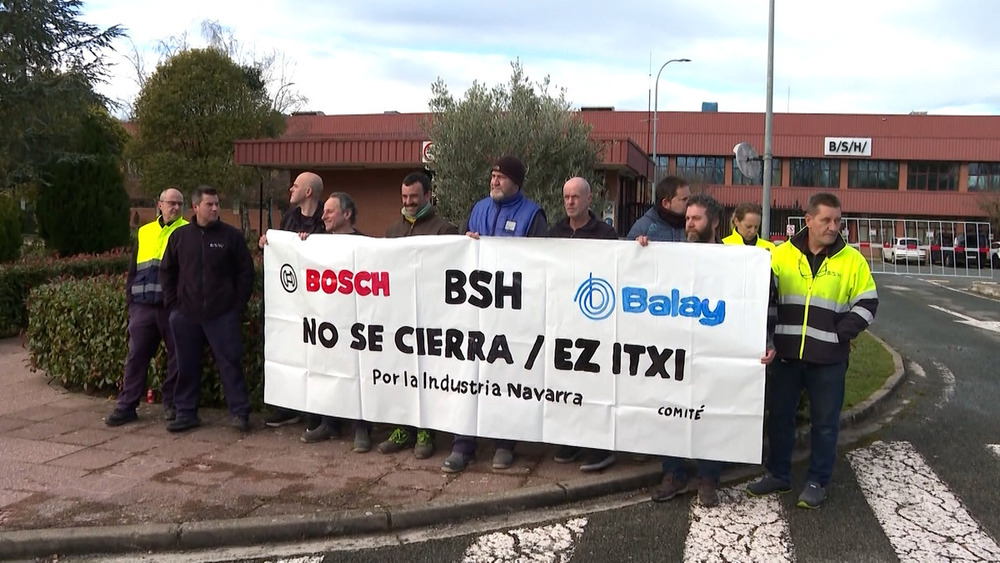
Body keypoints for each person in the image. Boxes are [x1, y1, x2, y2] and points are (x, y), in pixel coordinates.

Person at [746, 192, 878, 509]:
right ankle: (778, 474)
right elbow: (762, 299)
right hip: (786, 356)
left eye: (838, 221)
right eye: (826, 220)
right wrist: (765, 340)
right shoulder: (780, 256)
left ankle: (818, 480)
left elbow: (868, 303)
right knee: (780, 418)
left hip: (828, 360)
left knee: (825, 424)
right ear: (808, 220)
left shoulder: (852, 260)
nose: (833, 227)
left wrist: (839, 334)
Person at [645, 193, 776, 507]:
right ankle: (673, 473)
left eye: (696, 218)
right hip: (676, 354)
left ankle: (708, 477)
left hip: (717, 353)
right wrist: (640, 254)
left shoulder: (740, 262)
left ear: (714, 223)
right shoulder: (671, 256)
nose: (689, 224)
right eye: (687, 218)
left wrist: (767, 340)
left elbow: (766, 301)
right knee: (672, 412)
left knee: (711, 413)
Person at [443, 155, 547, 474]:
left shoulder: (533, 216)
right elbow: (459, 250)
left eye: (501, 177)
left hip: (512, 313)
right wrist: (468, 243)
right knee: (469, 375)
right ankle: (464, 444)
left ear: (516, 182)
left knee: (506, 377)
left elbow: (541, 262)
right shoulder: (479, 209)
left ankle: (505, 442)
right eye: (492, 176)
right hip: (475, 310)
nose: (494, 181)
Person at [161, 185, 254, 433]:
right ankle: (185, 412)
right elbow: (167, 272)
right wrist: (173, 307)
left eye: (216, 204)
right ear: (195, 207)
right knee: (186, 364)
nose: (215, 208)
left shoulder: (231, 236)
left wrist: (236, 306)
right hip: (186, 314)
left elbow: (246, 272)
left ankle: (239, 412)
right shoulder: (180, 237)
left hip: (222, 314)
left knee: (230, 363)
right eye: (209, 204)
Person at [378, 172, 459, 459]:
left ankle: (427, 431)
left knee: (428, 374)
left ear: (427, 195)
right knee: (401, 373)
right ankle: (403, 428)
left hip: (432, 315)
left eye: (413, 197)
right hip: (399, 314)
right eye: (404, 197)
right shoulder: (393, 230)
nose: (408, 202)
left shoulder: (445, 230)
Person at [548, 177, 619, 472]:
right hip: (563, 320)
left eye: (576, 196)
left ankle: (601, 445)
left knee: (595, 383)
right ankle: (573, 438)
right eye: (566, 196)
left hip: (596, 321)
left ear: (589, 200)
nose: (570, 202)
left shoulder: (605, 234)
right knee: (567, 381)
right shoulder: (554, 232)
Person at [298, 192, 374, 453]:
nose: (324, 216)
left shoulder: (366, 244)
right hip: (326, 324)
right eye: (324, 212)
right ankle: (329, 422)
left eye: (330, 211)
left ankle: (360, 427)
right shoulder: (317, 243)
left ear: (347, 214)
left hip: (355, 325)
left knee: (357, 373)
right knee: (327, 370)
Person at [104, 188, 188, 427]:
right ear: (159, 205)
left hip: (171, 308)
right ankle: (127, 405)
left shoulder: (186, 232)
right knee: (136, 357)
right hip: (142, 307)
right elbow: (133, 269)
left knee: (178, 358)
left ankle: (171, 403)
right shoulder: (145, 231)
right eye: (170, 203)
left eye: (179, 204)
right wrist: (131, 302)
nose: (175, 207)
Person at [259, 171, 327, 429]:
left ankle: (317, 413)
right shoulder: (289, 218)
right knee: (290, 354)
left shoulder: (325, 217)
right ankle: (288, 407)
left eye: (295, 186)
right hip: (292, 303)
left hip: (318, 304)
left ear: (308, 192)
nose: (290, 189)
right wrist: (268, 243)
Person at [627, 175, 690, 243]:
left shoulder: (693, 225)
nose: (689, 202)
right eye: (684, 199)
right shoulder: (644, 227)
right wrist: (637, 245)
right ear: (665, 203)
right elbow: (626, 251)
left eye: (689, 198)